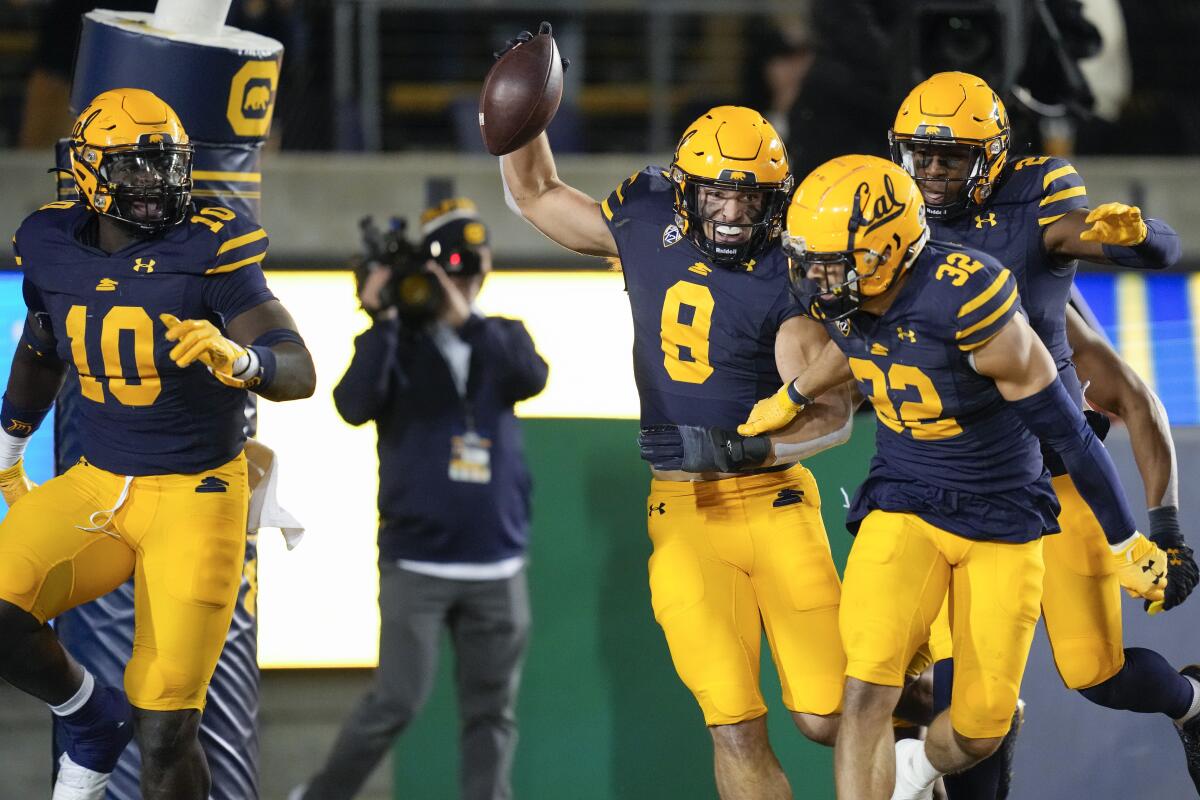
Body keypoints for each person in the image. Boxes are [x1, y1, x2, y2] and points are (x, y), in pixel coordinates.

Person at [737, 154, 1170, 800]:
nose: (814, 276)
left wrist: (1124, 540)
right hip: (906, 501)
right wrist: (794, 395)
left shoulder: (972, 301)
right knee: (865, 691)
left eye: (831, 260)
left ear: (885, 252)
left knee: (979, 730)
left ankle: (920, 766)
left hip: (1002, 514)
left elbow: (1068, 432)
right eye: (810, 258)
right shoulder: (850, 291)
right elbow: (849, 341)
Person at [500, 23, 856, 793]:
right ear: (686, 188)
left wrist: (755, 451)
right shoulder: (643, 215)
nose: (732, 211)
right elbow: (535, 194)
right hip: (682, 509)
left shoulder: (792, 270)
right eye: (719, 191)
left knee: (827, 717)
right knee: (732, 723)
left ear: (777, 197)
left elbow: (834, 414)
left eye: (749, 194)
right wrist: (516, 124)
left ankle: (925, 705)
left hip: (772, 502)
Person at [888, 70, 1200, 796]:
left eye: (951, 157)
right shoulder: (890, 234)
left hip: (1055, 483)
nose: (932, 172)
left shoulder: (1041, 295)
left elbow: (1134, 396)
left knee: (1098, 671)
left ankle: (1190, 703)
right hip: (950, 483)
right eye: (920, 156)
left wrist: (1168, 529)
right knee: (939, 678)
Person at [0, 87, 315, 800]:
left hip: (194, 496)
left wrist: (245, 363)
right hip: (97, 484)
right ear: (85, 169)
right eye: (134, 165)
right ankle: (87, 718)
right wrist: (10, 446)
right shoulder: (51, 241)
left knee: (167, 729)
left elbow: (297, 368)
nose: (153, 181)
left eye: (164, 163)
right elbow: (43, 347)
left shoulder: (211, 244)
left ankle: (121, 727)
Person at [292, 199, 548, 800]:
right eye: (448, 266)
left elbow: (530, 379)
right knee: (396, 701)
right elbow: (352, 405)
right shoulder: (394, 342)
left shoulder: (501, 335)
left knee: (493, 713)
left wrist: (464, 317)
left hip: (497, 562)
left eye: (469, 267)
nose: (458, 276)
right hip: (418, 561)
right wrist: (382, 317)